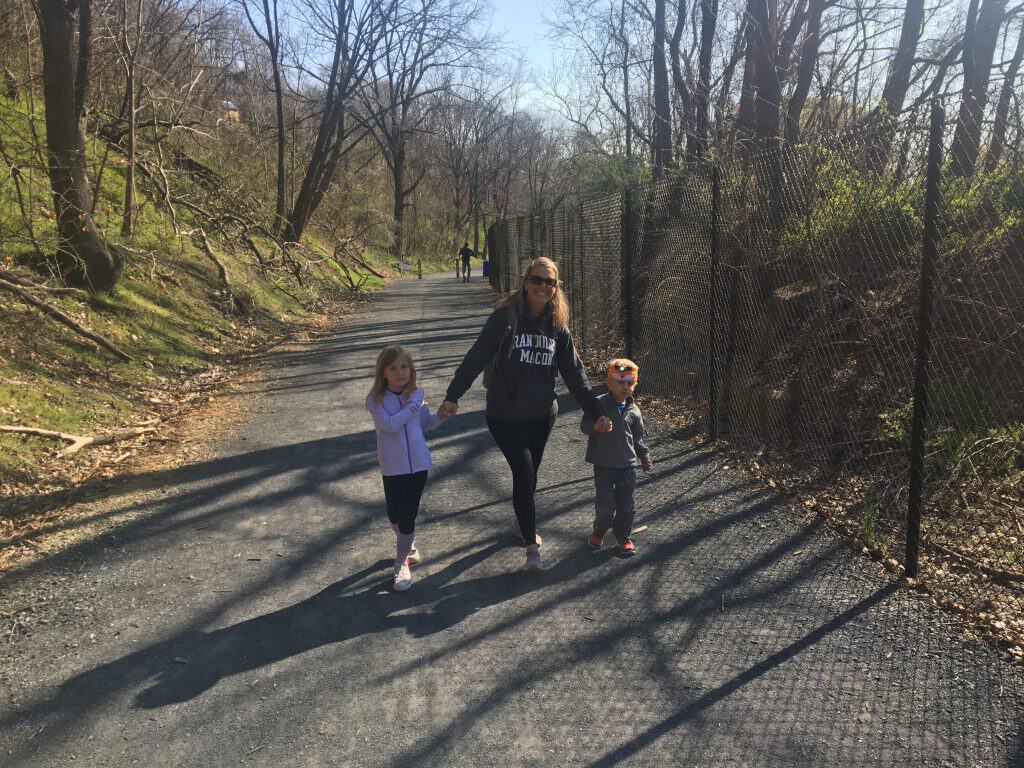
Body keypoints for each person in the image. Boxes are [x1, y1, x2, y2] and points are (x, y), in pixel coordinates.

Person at [438, 257, 612, 571]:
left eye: (550, 282)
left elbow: (574, 373)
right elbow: (477, 356)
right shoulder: (504, 317)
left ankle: (520, 524)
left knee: (529, 475)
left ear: (556, 287)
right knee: (523, 472)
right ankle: (531, 546)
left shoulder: (557, 325)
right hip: (504, 414)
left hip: (542, 414)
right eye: (537, 280)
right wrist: (453, 395)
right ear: (526, 281)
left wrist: (596, 410)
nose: (543, 287)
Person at [366, 345, 448, 591]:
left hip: (418, 466)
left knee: (407, 516)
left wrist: (442, 415)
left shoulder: (415, 396)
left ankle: (401, 563)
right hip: (393, 467)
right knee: (395, 517)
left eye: (404, 367)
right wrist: (413, 404)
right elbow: (390, 426)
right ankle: (407, 545)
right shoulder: (375, 401)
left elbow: (425, 424)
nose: (400, 372)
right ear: (383, 373)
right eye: (393, 368)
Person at [581, 358, 653, 557]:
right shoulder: (599, 405)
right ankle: (599, 530)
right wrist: (596, 427)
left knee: (626, 506)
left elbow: (638, 439)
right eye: (620, 382)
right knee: (605, 505)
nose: (625, 387)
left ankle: (623, 536)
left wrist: (644, 456)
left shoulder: (634, 411)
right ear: (609, 382)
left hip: (627, 467)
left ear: (635, 386)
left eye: (630, 383)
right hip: (603, 465)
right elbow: (584, 427)